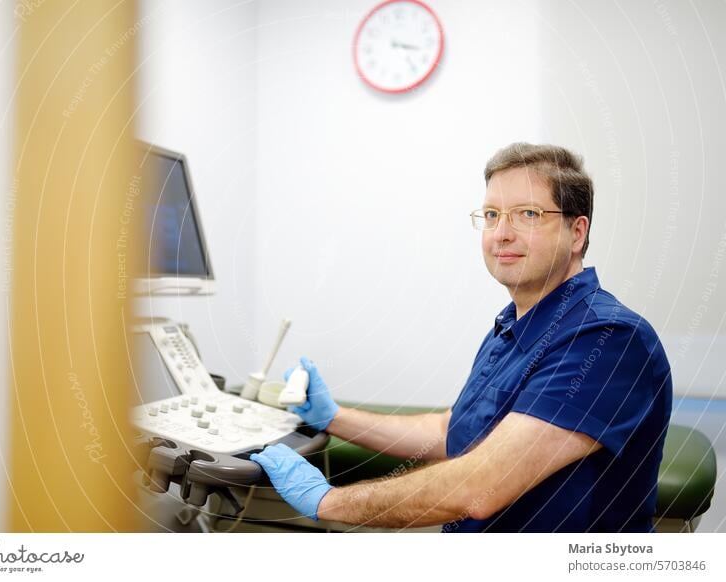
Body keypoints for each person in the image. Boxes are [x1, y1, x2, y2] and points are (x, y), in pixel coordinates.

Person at [250, 143, 672, 532]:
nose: (501, 233)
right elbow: (450, 430)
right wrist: (334, 418)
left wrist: (328, 502)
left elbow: (481, 484)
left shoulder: (610, 339)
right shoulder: (512, 326)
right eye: (491, 215)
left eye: (527, 214)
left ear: (576, 233)